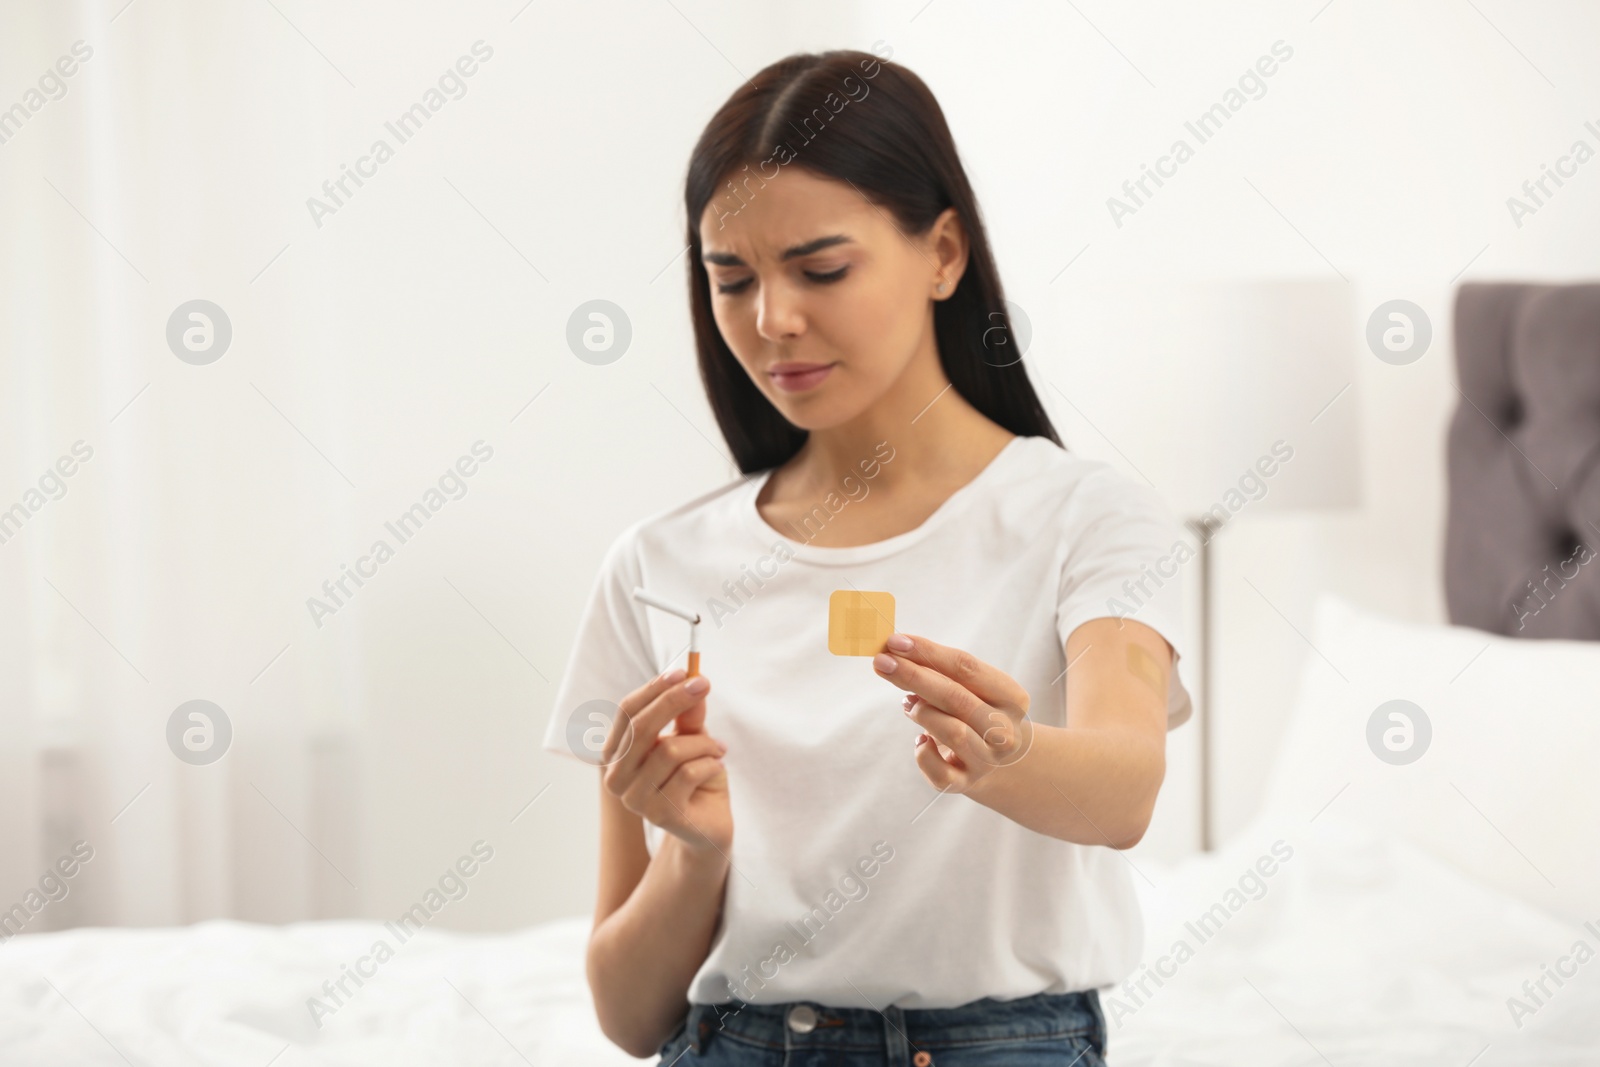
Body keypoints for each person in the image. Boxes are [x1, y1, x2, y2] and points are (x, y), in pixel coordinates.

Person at [539, 47, 1193, 1067]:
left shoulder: (1084, 518)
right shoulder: (656, 565)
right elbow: (626, 1016)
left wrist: (1007, 748)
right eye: (731, 279)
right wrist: (697, 854)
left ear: (941, 253)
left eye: (821, 268)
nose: (772, 321)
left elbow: (1124, 791)